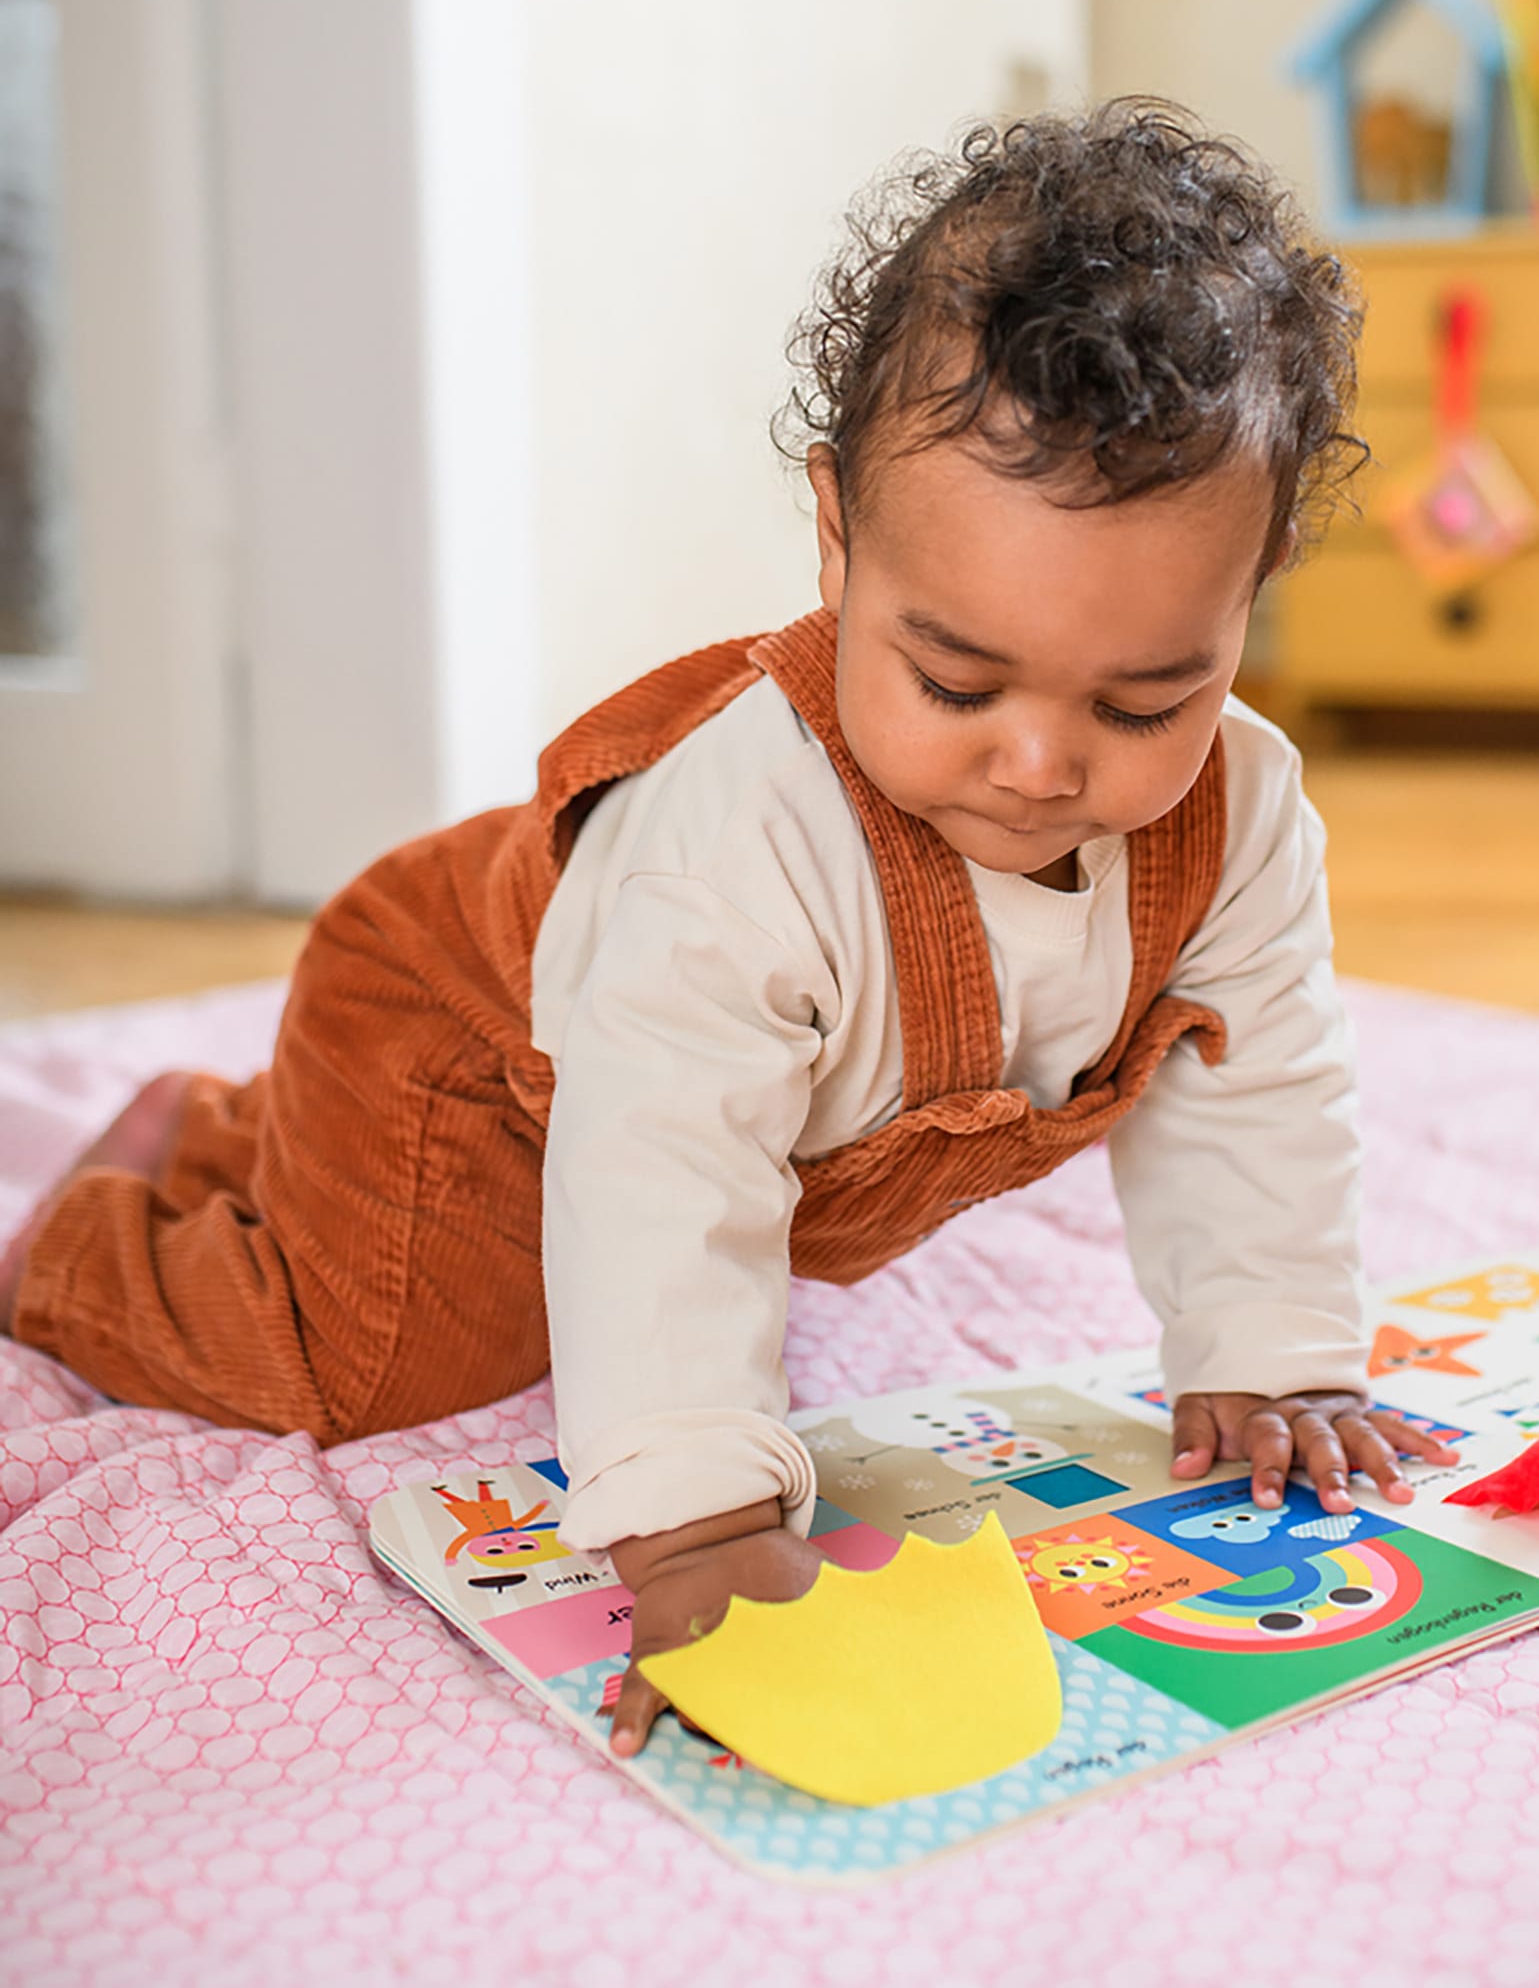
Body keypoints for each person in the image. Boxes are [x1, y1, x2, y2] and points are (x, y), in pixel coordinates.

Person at [0, 102, 1460, 1755]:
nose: (1042, 763)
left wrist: (1273, 1351)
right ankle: (73, 1244)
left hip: (652, 1076)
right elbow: (666, 1169)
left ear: (1248, 597)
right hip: (470, 1048)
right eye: (955, 680)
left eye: (1147, 697)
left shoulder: (1244, 818)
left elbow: (1255, 1085)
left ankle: (224, 1136)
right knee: (388, 1353)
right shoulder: (738, 835)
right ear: (838, 538)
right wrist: (691, 1519)